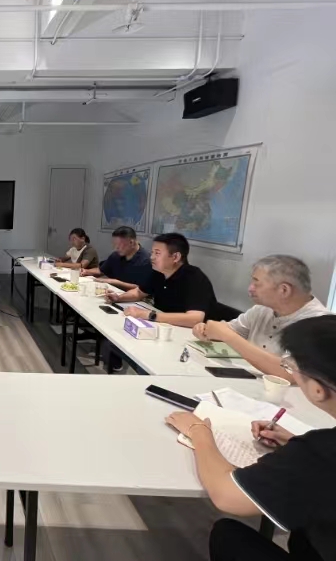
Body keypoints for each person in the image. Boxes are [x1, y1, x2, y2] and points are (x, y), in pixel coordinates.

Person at [166, 315, 336, 561]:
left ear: (318, 390)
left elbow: (226, 496)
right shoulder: (318, 450)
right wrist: (295, 442)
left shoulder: (320, 453)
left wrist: (198, 430)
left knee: (227, 535)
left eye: (292, 368)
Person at [192, 255, 330, 380]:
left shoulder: (319, 324)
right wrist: (207, 330)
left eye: (256, 283)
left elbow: (290, 373)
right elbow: (229, 330)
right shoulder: (262, 309)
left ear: (284, 290)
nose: (250, 289)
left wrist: (227, 336)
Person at [106, 232, 217, 328]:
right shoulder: (159, 273)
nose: (151, 257)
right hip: (163, 327)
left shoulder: (194, 277)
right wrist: (119, 297)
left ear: (175, 257)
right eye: (152, 252)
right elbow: (139, 292)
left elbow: (195, 319)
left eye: (157, 253)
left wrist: (149, 315)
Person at [81, 225, 155, 291]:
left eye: (118, 245)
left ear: (131, 243)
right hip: (114, 294)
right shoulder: (116, 256)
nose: (115, 248)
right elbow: (101, 270)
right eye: (114, 244)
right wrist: (86, 272)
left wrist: (115, 282)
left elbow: (143, 290)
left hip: (136, 299)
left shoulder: (147, 261)